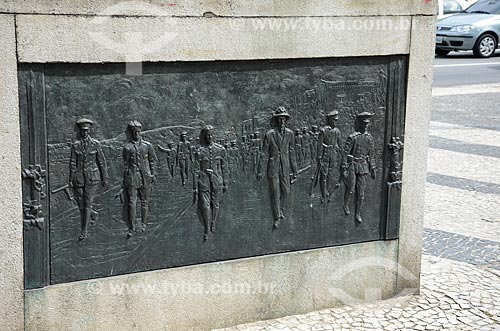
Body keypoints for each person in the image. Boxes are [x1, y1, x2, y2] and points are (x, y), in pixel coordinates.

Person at [257, 106, 297, 230]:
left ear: (286, 120)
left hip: (285, 167)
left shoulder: (290, 134)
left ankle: (281, 209)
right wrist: (260, 170)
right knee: (275, 194)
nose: (282, 121)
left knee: (286, 191)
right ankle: (276, 218)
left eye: (284, 119)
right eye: (279, 119)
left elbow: (292, 152)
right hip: (273, 168)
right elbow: (263, 154)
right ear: (276, 120)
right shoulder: (269, 134)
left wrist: (294, 169)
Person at [69, 118, 108, 241]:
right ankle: (93, 214)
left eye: (87, 130)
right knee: (80, 202)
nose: (85, 132)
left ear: (90, 131)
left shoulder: (95, 144)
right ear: (80, 131)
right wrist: (71, 178)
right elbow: (72, 162)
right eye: (83, 131)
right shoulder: (75, 145)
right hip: (79, 178)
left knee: (87, 202)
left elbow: (101, 161)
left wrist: (104, 177)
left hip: (92, 178)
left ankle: (84, 231)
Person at [122, 120, 158, 237]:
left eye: (138, 132)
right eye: (134, 132)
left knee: (144, 202)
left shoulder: (147, 146)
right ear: (131, 133)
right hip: (132, 178)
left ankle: (143, 224)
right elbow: (125, 164)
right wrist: (125, 180)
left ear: (140, 131)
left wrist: (153, 174)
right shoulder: (127, 148)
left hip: (145, 177)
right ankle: (131, 227)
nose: (136, 134)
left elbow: (153, 161)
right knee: (132, 203)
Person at [193, 125, 227, 241]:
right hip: (204, 181)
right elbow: (195, 169)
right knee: (205, 205)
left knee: (216, 203)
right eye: (207, 135)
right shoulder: (200, 151)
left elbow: (224, 167)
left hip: (217, 180)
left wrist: (225, 182)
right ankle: (207, 228)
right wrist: (195, 187)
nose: (210, 137)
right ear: (204, 136)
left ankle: (214, 222)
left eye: (212, 135)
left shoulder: (220, 149)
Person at [342, 112, 376, 223]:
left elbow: (371, 154)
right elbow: (345, 153)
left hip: (363, 166)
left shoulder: (369, 138)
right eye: (363, 123)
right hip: (353, 165)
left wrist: (373, 168)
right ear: (360, 124)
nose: (365, 126)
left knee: (361, 193)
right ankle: (346, 205)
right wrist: (344, 167)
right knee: (351, 189)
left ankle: (357, 213)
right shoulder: (353, 137)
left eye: (367, 124)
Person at [316, 110, 341, 203]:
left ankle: (328, 191)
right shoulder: (324, 131)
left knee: (331, 173)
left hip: (333, 154)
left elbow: (339, 144)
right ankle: (323, 194)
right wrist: (319, 158)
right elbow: (319, 146)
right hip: (325, 155)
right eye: (334, 120)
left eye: (336, 120)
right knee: (324, 174)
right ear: (330, 120)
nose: (335, 122)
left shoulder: (337, 131)